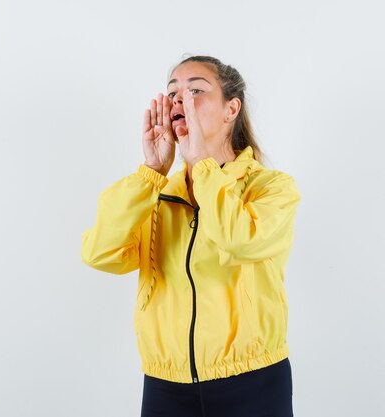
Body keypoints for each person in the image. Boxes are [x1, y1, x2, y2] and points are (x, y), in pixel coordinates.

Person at [81, 55, 302, 417]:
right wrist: (152, 171)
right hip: (165, 385)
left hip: (252, 380)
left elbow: (237, 240)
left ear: (232, 109)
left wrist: (202, 166)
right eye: (173, 93)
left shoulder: (271, 188)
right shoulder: (156, 193)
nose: (180, 100)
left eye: (196, 90)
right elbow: (100, 254)